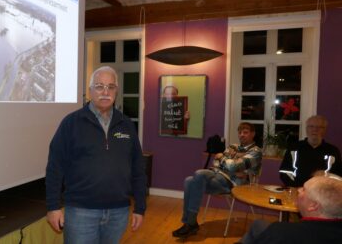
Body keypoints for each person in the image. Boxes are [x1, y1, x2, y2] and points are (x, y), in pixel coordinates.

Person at [45, 66, 147, 244]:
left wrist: (140, 207)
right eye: (99, 86)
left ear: (116, 91)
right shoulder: (71, 123)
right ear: (90, 91)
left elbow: (138, 168)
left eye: (111, 87)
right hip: (81, 212)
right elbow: (55, 167)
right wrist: (53, 206)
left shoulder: (127, 124)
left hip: (119, 212)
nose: (105, 92)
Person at [172, 122, 262, 238]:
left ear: (253, 134)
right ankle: (190, 223)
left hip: (234, 184)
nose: (242, 135)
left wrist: (224, 159)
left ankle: (190, 223)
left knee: (196, 176)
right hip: (217, 175)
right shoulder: (233, 147)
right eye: (240, 132)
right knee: (189, 180)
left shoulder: (256, 151)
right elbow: (216, 162)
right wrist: (232, 165)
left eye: (245, 132)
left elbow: (232, 166)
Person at [238, 174, 342, 244]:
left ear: (313, 206)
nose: (299, 190)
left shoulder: (280, 233)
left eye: (304, 189)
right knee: (258, 224)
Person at [279, 115, 342, 187]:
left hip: (322, 192)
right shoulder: (294, 148)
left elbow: (338, 176)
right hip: (297, 189)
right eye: (311, 126)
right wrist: (301, 188)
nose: (315, 130)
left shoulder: (333, 151)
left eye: (319, 127)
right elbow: (285, 172)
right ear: (306, 129)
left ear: (324, 130)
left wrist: (327, 177)